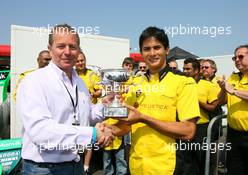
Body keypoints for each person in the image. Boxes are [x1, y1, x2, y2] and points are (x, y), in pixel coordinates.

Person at [16, 24, 114, 175]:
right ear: (50, 48)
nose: (67, 52)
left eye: (72, 46)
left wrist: (105, 106)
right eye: (61, 46)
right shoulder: (34, 81)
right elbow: (41, 132)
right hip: (43, 170)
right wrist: (93, 135)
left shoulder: (80, 83)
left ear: (79, 50)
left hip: (76, 165)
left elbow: (85, 116)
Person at [110, 26, 200, 175]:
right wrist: (105, 131)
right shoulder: (136, 82)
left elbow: (188, 131)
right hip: (137, 165)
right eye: (147, 49)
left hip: (169, 166)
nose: (152, 53)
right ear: (141, 52)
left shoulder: (184, 82)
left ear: (167, 50)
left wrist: (144, 118)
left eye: (157, 47)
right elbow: (127, 125)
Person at [217, 44, 248, 175]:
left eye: (241, 56)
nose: (237, 60)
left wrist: (234, 91)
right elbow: (221, 102)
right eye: (235, 58)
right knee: (234, 170)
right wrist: (223, 89)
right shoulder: (233, 77)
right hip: (233, 135)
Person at [182, 58, 219, 175]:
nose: (185, 71)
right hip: (184, 127)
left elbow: (213, 107)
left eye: (188, 69)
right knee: (187, 161)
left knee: (202, 161)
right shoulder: (182, 83)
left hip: (201, 128)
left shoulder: (207, 85)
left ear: (197, 70)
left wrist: (196, 101)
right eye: (183, 68)